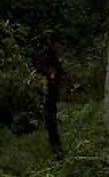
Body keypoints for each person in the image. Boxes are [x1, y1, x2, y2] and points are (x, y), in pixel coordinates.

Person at [34, 31, 64, 159]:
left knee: (51, 117)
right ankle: (55, 147)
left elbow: (60, 71)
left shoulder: (53, 55)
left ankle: (56, 145)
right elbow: (40, 68)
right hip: (47, 89)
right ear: (52, 43)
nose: (59, 46)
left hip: (53, 89)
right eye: (57, 43)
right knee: (50, 118)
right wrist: (50, 74)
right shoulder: (46, 54)